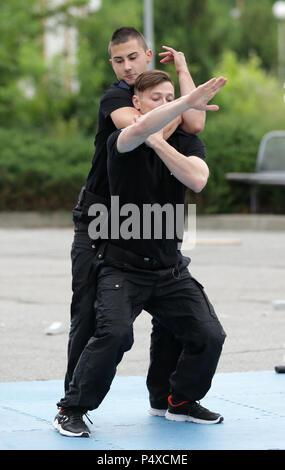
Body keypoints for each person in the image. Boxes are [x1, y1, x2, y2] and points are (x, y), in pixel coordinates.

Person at [53, 70, 227, 437]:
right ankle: (72, 408)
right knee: (114, 335)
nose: (166, 106)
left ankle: (179, 400)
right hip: (122, 268)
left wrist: (163, 141)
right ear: (136, 104)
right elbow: (139, 132)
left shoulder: (185, 142)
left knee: (209, 334)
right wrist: (182, 106)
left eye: (170, 99)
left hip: (169, 271)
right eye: (156, 99)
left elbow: (197, 179)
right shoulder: (123, 139)